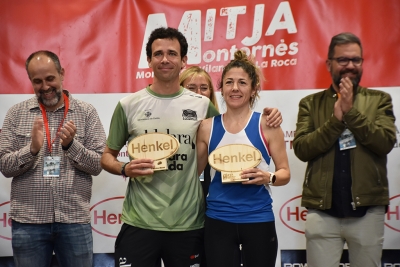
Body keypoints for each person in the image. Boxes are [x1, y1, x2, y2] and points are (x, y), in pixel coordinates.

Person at [101, 27, 283, 267]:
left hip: (189, 224)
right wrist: (124, 169)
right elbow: (106, 157)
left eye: (172, 53)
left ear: (184, 60)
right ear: (148, 60)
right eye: (158, 54)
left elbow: (234, 126)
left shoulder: (202, 106)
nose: (165, 59)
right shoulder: (128, 105)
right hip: (140, 222)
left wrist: (270, 116)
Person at [293, 32, 396, 267]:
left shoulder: (380, 100)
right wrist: (335, 121)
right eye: (343, 60)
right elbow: (302, 148)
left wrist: (351, 113)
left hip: (367, 211)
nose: (350, 65)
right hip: (322, 211)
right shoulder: (310, 103)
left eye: (356, 60)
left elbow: (385, 142)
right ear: (329, 63)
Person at [0, 50, 106, 267]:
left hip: (74, 220)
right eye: (37, 81)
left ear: (61, 73)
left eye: (50, 78)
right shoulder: (15, 114)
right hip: (29, 223)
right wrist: (31, 149)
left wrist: (71, 146)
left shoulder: (86, 113)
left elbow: (98, 164)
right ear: (30, 81)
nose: (45, 87)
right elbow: (5, 166)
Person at [196, 50, 291, 267]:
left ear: (253, 88)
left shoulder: (267, 124)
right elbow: (193, 174)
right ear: (221, 88)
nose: (235, 88)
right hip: (218, 219)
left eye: (242, 83)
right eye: (229, 82)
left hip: (258, 218)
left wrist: (268, 177)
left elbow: (284, 173)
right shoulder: (207, 127)